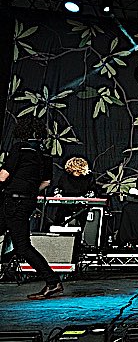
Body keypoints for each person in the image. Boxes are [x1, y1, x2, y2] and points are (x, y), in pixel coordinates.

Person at [0, 117, 63, 299]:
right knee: (22, 245)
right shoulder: (45, 155)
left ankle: (53, 281)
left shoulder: (20, 148)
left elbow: (3, 176)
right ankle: (52, 281)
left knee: (23, 247)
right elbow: (46, 182)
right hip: (27, 201)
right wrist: (29, 190)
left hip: (14, 201)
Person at [52, 157, 97, 227]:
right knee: (59, 221)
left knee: (84, 224)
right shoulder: (65, 176)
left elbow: (93, 191)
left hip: (82, 207)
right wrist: (58, 194)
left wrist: (85, 197)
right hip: (65, 205)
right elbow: (58, 188)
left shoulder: (89, 177)